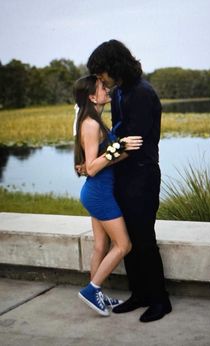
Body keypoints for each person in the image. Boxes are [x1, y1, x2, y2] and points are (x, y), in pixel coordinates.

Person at [86, 39, 172, 323]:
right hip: (122, 175)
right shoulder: (121, 91)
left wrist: (97, 165)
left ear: (114, 66)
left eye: (101, 74)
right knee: (127, 239)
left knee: (144, 239)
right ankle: (139, 294)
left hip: (143, 175)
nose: (101, 80)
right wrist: (99, 159)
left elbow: (131, 144)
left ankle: (160, 300)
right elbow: (119, 139)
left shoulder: (143, 93)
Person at [73, 75, 143, 317]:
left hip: (97, 192)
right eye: (102, 87)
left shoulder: (95, 121)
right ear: (93, 96)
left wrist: (125, 148)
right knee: (124, 245)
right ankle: (92, 290)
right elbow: (92, 167)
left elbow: (100, 162)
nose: (107, 88)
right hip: (99, 195)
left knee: (101, 245)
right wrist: (118, 148)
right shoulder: (90, 125)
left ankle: (97, 292)